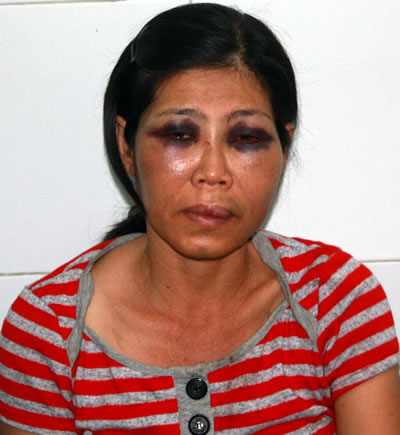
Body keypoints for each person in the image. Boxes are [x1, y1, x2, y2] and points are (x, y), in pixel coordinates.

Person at [1, 3, 399, 434]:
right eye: (179, 134)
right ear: (126, 145)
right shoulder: (48, 331)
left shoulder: (335, 301)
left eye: (245, 138)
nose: (213, 172)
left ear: (283, 148)